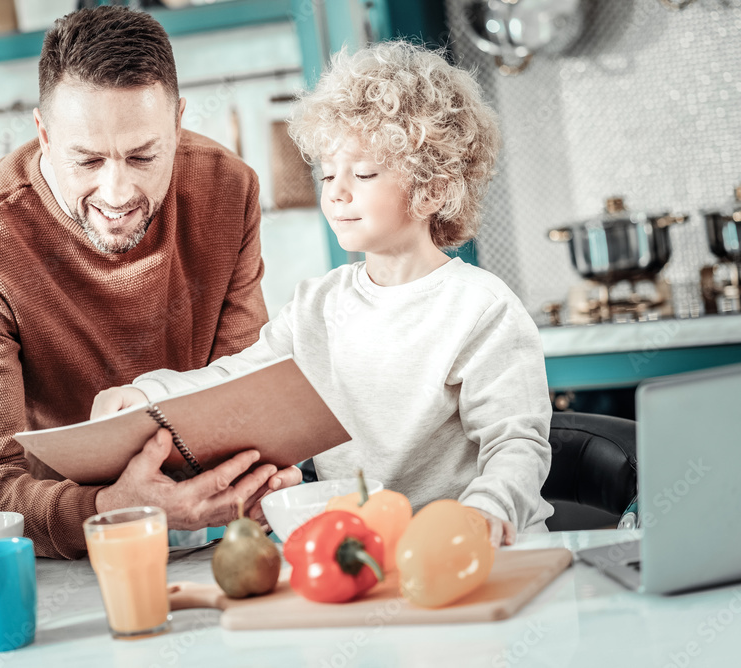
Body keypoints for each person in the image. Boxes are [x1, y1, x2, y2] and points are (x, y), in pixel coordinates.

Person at [93, 40, 554, 547]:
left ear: (432, 190)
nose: (335, 192)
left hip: (469, 553)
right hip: (366, 557)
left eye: (364, 173)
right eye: (329, 173)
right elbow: (238, 379)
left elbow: (517, 442)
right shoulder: (318, 304)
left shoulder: (480, 309)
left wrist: (487, 511)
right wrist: (147, 394)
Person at [0, 6, 300, 560]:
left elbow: (238, 395)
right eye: (87, 160)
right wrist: (111, 510)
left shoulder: (227, 189)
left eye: (143, 156)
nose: (117, 192)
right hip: (47, 502)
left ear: (177, 123)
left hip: (179, 493)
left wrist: (255, 474)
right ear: (44, 135)